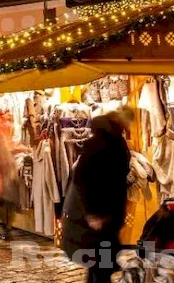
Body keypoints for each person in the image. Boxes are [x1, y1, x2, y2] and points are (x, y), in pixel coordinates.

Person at [61, 106, 134, 283]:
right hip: (99, 213)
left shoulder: (111, 140)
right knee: (101, 261)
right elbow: (85, 179)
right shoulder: (102, 143)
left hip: (106, 212)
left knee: (102, 262)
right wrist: (94, 212)